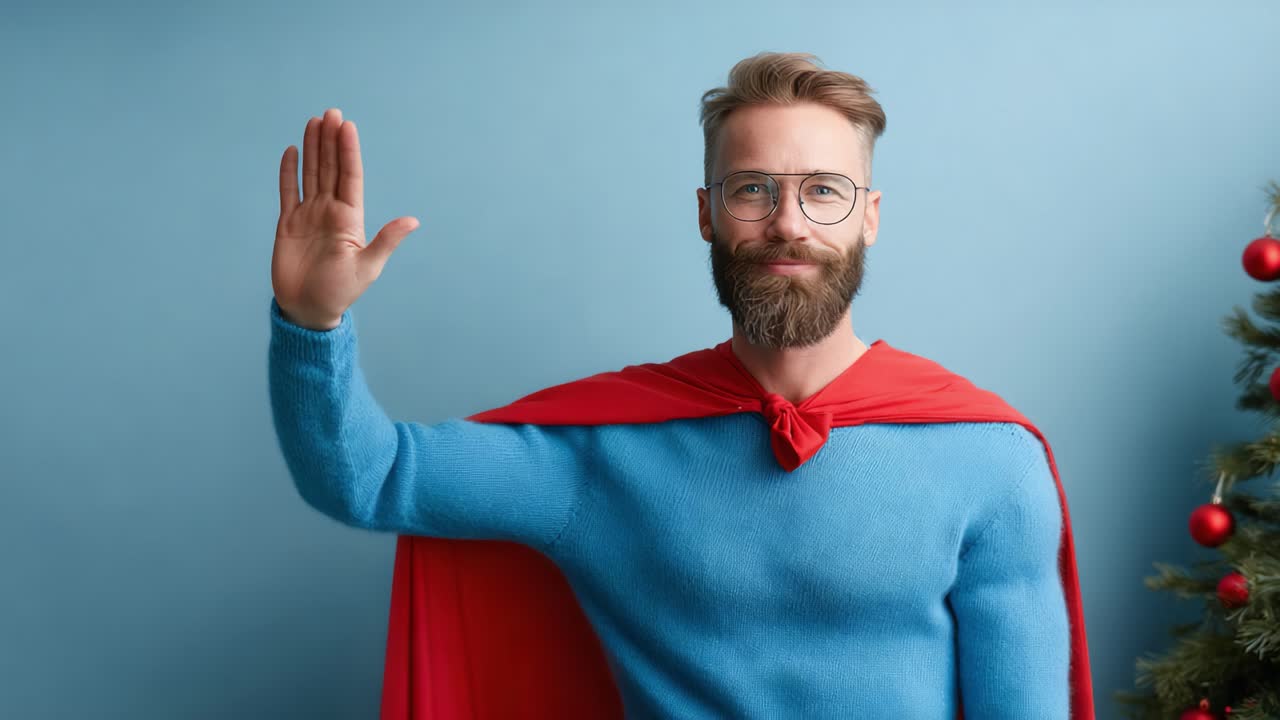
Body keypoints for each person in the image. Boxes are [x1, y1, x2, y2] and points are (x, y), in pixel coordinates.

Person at [268, 52, 1093, 718]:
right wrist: (311, 324)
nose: (789, 223)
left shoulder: (990, 459)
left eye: (824, 191)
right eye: (753, 190)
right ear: (707, 213)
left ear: (869, 215)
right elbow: (367, 477)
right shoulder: (596, 458)